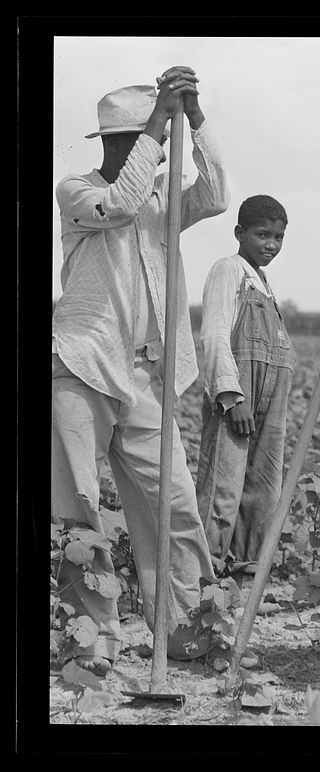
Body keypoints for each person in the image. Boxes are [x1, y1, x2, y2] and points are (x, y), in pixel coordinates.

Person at [52, 67, 229, 676]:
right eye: (147, 142)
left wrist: (195, 119)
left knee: (173, 504)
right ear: (117, 142)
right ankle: (88, 644)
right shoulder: (77, 191)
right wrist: (160, 120)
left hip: (145, 376)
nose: (156, 157)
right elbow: (121, 203)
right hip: (81, 365)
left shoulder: (163, 200)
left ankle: (187, 628)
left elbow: (218, 194)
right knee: (77, 508)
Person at [196, 195, 297, 577]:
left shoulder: (265, 285)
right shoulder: (229, 269)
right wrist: (230, 395)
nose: (270, 244)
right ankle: (204, 578)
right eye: (261, 234)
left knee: (262, 491)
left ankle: (241, 578)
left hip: (271, 399)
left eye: (278, 237)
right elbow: (216, 334)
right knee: (222, 489)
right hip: (238, 394)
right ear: (239, 233)